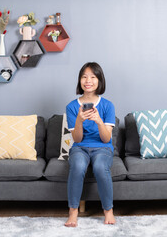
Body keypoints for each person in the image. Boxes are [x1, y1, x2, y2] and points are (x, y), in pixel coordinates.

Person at [64, 62, 116, 227]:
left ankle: (108, 211)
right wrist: (79, 120)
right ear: (79, 81)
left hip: (103, 148)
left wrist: (99, 121)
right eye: (84, 77)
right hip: (80, 148)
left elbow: (106, 139)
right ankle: (73, 212)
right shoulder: (72, 107)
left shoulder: (108, 105)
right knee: (78, 166)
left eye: (93, 77)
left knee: (101, 167)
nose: (88, 80)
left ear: (99, 81)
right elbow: (77, 139)